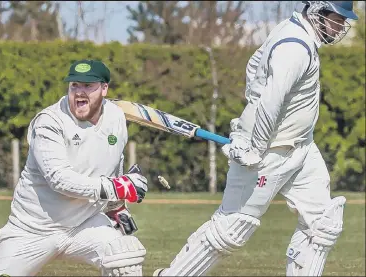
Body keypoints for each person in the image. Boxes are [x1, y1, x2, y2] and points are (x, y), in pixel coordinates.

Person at [153, 1, 358, 276]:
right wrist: (254, 143)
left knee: (322, 223)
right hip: (268, 152)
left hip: (302, 147)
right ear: (317, 10)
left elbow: (254, 66)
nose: (340, 25)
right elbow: (271, 101)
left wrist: (251, 107)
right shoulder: (295, 47)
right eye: (337, 18)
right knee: (233, 227)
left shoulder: (293, 31)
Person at [0, 59, 149, 276]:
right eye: (75, 85)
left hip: (84, 224)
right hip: (33, 229)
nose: (79, 93)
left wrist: (116, 207)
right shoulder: (49, 121)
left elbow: (112, 166)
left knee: (124, 258)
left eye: (88, 86)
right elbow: (59, 179)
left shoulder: (116, 117)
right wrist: (117, 188)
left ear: (104, 89)